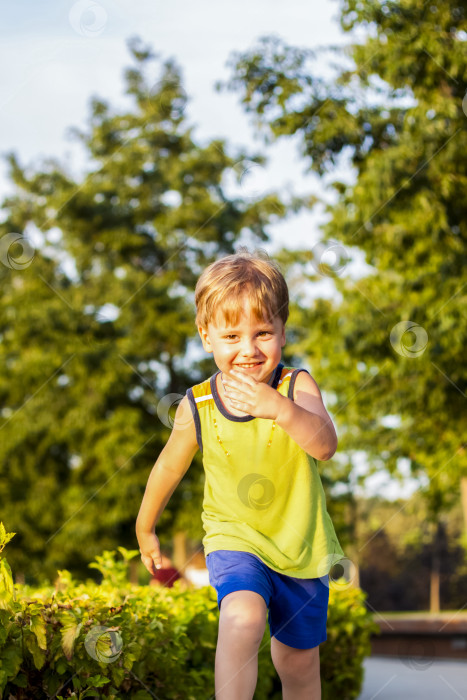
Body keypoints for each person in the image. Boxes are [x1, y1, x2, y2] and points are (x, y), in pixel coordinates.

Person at [136, 247, 345, 700]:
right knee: (243, 617)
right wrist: (145, 525)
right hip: (236, 540)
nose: (248, 350)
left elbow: (325, 446)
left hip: (301, 549)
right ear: (206, 335)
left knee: (298, 663)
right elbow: (170, 465)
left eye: (263, 332)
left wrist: (280, 411)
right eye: (231, 336)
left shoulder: (296, 387)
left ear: (283, 331)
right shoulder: (200, 405)